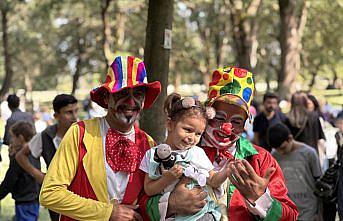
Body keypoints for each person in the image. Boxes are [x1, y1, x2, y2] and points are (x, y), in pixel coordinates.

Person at [143, 67, 298, 221]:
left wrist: (261, 199)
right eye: (220, 117)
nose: (227, 127)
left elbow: (290, 216)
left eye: (236, 121)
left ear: (245, 124)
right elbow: (141, 203)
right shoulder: (176, 150)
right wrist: (171, 204)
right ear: (207, 115)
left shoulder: (260, 159)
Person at [39, 55, 161, 221]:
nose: (131, 102)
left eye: (138, 94)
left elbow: (148, 196)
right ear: (106, 97)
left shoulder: (147, 143)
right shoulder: (80, 133)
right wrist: (107, 212)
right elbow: (50, 194)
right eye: (122, 93)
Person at [140, 93, 230, 221]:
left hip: (203, 215)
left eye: (198, 134)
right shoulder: (153, 154)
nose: (192, 138)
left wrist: (227, 171)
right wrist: (167, 179)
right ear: (170, 124)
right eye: (187, 130)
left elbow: (213, 180)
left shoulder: (197, 152)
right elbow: (149, 189)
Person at [16, 94, 78, 221]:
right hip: (58, 197)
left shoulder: (83, 133)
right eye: (69, 112)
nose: (74, 117)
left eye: (76, 111)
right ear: (56, 116)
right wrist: (37, 174)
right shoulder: (45, 136)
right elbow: (21, 155)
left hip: (82, 194)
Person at [268, 123, 322, 221]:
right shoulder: (274, 155)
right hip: (286, 211)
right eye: (277, 149)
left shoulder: (309, 153)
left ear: (290, 138)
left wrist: (320, 213)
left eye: (283, 148)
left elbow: (319, 183)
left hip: (308, 211)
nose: (281, 152)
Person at [0, 121, 40, 221]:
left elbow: (10, 180)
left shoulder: (19, 157)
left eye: (13, 137)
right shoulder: (34, 153)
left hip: (24, 201)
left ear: (21, 138)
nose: (11, 140)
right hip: (34, 198)